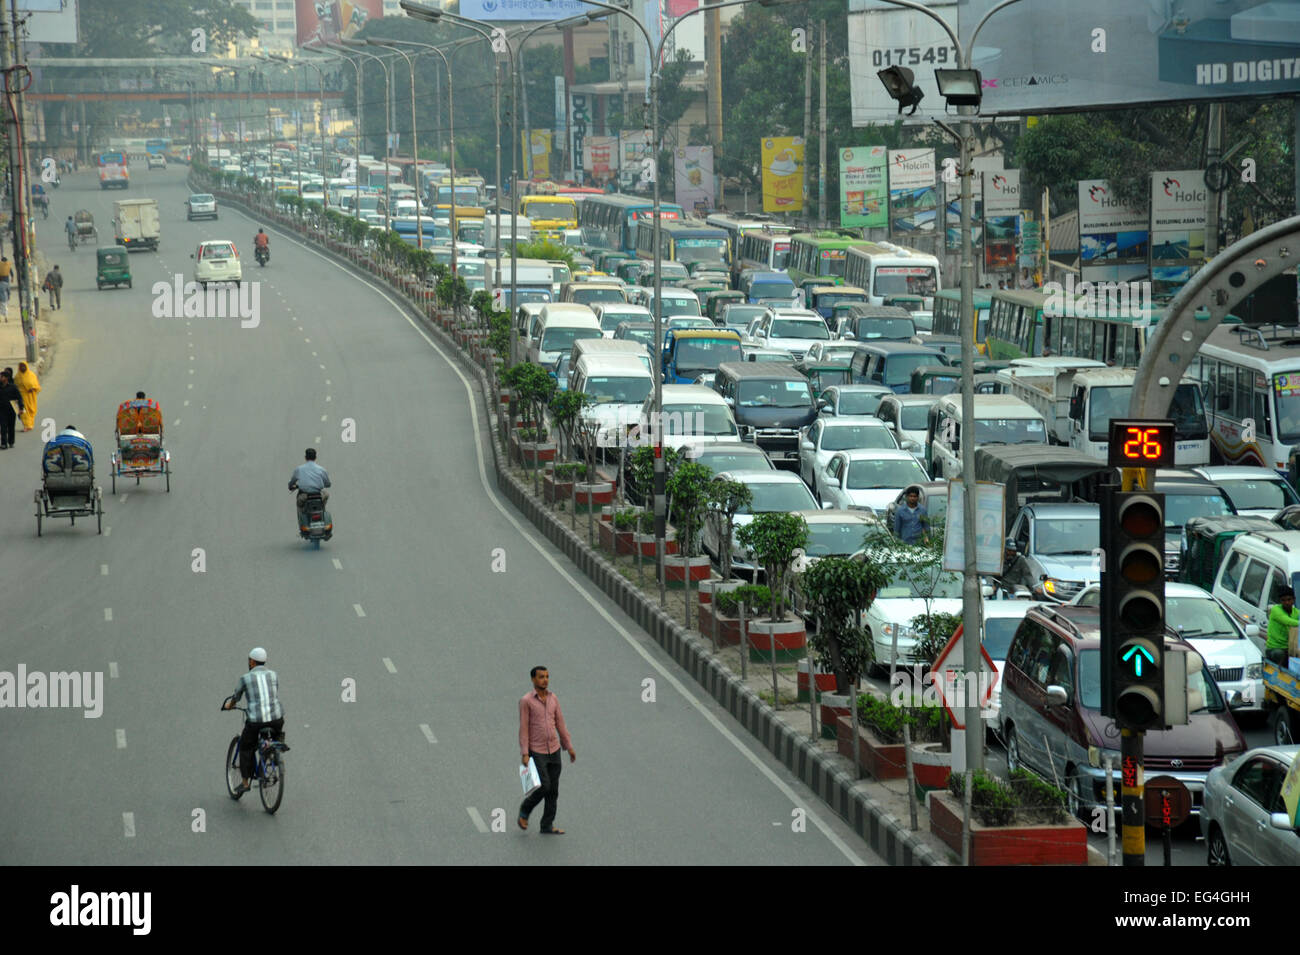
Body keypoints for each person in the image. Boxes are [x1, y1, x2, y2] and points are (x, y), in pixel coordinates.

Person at [518, 666, 575, 835]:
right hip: (537, 751)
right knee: (544, 786)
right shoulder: (526, 701)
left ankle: (547, 825)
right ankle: (525, 809)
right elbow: (524, 728)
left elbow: (560, 723)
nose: (545, 680)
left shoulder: (553, 698)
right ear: (533, 680)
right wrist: (525, 753)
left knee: (553, 790)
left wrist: (569, 746)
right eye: (541, 677)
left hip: (555, 749)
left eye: (547, 676)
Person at [221, 647, 285, 794]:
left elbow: (236, 697)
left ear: (251, 661)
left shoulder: (245, 678)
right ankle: (274, 748)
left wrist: (229, 705)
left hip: (256, 721)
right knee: (272, 736)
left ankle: (245, 782)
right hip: (276, 718)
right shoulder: (274, 675)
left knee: (245, 746)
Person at [288, 447, 330, 516]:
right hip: (319, 496)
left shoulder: (299, 469)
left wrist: (291, 486)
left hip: (304, 497)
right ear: (315, 457)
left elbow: (292, 482)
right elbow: (328, 484)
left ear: (305, 457)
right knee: (326, 494)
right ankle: (322, 510)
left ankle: (301, 517)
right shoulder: (321, 469)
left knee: (299, 504)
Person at [1266, 586, 1299, 666]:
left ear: (1294, 600)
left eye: (1289, 599)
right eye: (1283, 600)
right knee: (1279, 654)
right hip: (1275, 648)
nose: (1286, 602)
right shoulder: (1275, 610)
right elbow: (1287, 621)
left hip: (1289, 647)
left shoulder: (1296, 612)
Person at [0, 370, 22, 449]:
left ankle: (11, 442)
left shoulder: (13, 387)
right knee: (3, 427)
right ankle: (3, 444)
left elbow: (19, 398)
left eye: (2, 376)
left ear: (6, 378)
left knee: (11, 427)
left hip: (11, 410)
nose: (0, 378)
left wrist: (21, 408)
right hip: (2, 411)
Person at [15, 361, 39, 431]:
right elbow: (15, 387)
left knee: (31, 411)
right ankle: (26, 425)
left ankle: (30, 424)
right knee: (23, 412)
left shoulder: (31, 375)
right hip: (20, 397)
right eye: (21, 366)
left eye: (24, 366)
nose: (22, 368)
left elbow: (36, 385)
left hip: (30, 397)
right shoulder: (17, 377)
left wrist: (33, 388)